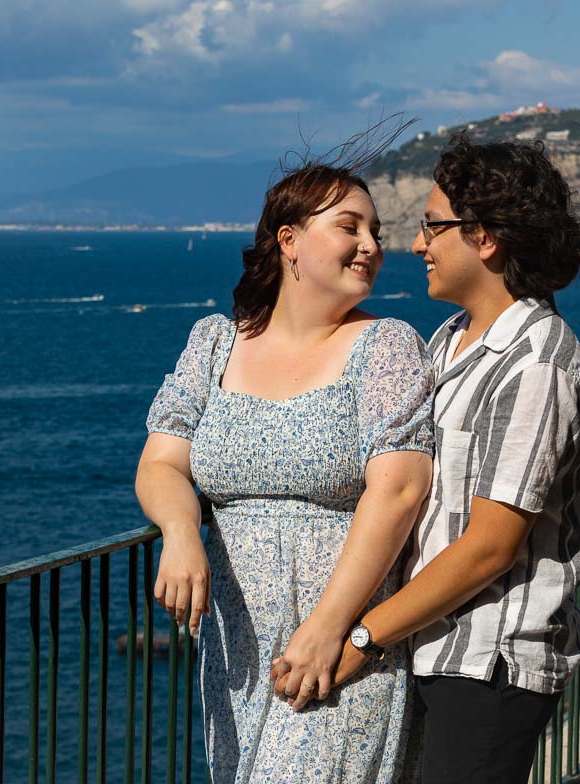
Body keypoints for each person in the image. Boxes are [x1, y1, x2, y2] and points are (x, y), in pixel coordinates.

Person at [276, 134, 580, 784]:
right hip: (426, 648)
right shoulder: (449, 342)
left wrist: (361, 637)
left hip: (487, 664)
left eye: (432, 227)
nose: (418, 245)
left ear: (485, 238)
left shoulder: (537, 362)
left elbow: (490, 546)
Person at [136, 160, 435, 783]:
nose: (372, 246)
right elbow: (161, 462)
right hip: (236, 654)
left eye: (375, 231)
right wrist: (181, 532)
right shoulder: (216, 342)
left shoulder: (385, 345)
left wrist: (330, 629)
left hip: (336, 646)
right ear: (289, 240)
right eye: (350, 226)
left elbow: (401, 487)